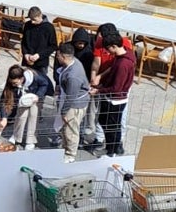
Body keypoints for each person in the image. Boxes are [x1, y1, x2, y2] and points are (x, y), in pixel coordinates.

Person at [92, 30, 135, 158]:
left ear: (114, 46)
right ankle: (110, 148)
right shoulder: (126, 55)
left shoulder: (123, 64)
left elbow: (116, 88)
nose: (107, 53)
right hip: (113, 97)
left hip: (116, 99)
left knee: (112, 126)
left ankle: (112, 151)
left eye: (108, 49)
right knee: (105, 121)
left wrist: (99, 90)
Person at [0, 64, 50, 151]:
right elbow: (4, 100)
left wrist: (38, 96)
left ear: (22, 79)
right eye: (12, 82)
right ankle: (16, 136)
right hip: (23, 98)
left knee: (33, 115)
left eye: (15, 83)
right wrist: (4, 118)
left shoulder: (35, 77)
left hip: (35, 96)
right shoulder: (11, 83)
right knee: (21, 114)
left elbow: (45, 83)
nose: (13, 85)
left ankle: (31, 140)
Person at [53, 44, 91, 163]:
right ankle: (64, 150)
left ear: (63, 56)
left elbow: (71, 96)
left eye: (58, 55)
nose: (56, 58)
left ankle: (70, 154)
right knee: (66, 129)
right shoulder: (74, 62)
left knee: (71, 130)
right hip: (71, 100)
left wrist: (64, 112)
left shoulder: (73, 75)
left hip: (74, 105)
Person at [21, 6, 57, 76]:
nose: (32, 22)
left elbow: (53, 46)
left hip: (41, 63)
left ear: (40, 15)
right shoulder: (28, 25)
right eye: (31, 19)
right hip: (28, 60)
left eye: (34, 19)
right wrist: (25, 53)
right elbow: (24, 41)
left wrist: (39, 55)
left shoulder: (49, 27)